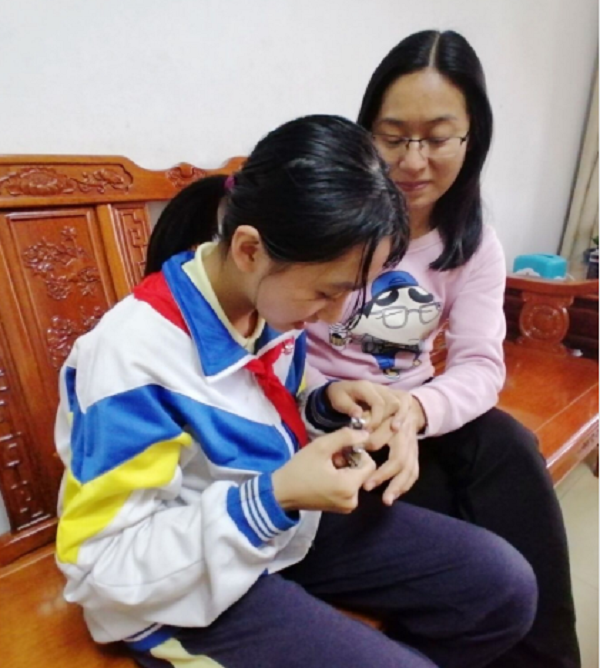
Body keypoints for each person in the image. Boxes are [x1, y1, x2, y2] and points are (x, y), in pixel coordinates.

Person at [54, 114, 536, 668]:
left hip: (273, 527)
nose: (334, 315)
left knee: (503, 588)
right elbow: (104, 568)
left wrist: (322, 405)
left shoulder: (260, 305)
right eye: (327, 293)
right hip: (175, 591)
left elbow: (253, 407)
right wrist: (273, 497)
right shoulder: (131, 360)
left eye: (351, 293)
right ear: (249, 250)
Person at [306, 30, 580, 668]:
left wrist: (414, 411)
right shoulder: (327, 218)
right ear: (365, 132)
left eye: (436, 138)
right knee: (462, 517)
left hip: (413, 419)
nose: (412, 161)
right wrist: (336, 401)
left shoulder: (473, 241)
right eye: (392, 136)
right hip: (320, 419)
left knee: (507, 447)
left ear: (470, 138)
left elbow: (480, 365)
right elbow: (274, 335)